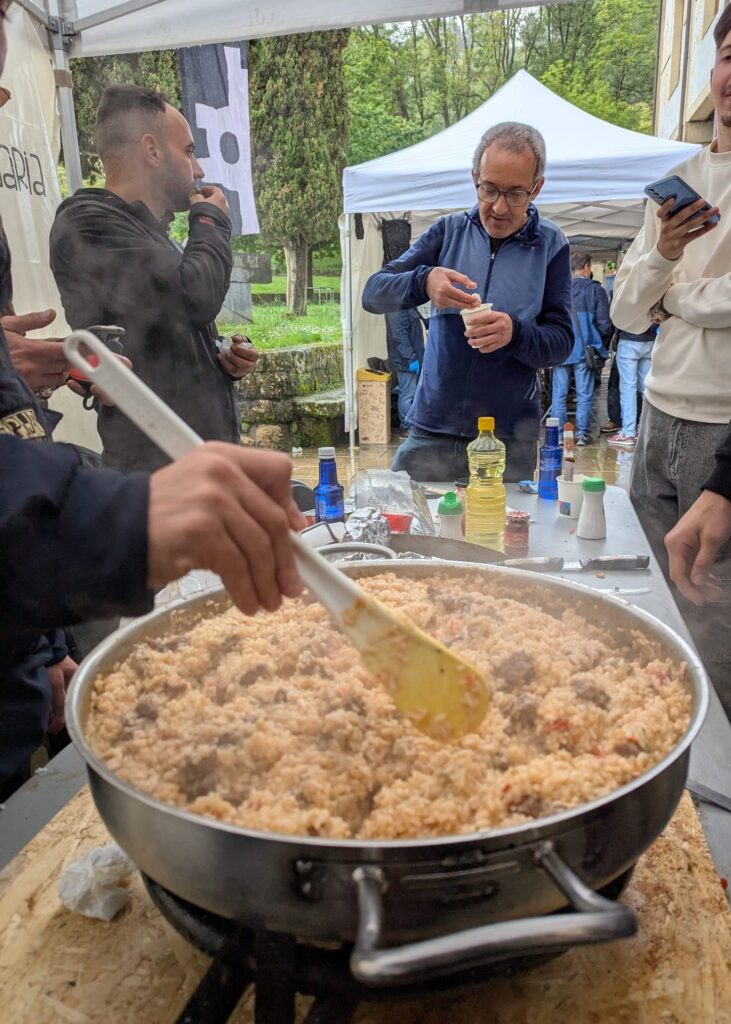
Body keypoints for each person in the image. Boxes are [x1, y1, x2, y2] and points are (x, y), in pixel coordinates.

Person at [611, 5, 731, 712]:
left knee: (718, 624)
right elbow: (626, 313)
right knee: (656, 605)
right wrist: (663, 254)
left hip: (723, 433)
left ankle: (716, 798)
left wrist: (676, 297)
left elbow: (673, 305)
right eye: (727, 54)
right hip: (656, 417)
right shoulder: (678, 178)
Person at [49, 85, 258, 473]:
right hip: (155, 474)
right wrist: (210, 221)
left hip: (196, 463)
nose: (198, 170)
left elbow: (168, 324)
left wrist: (221, 353)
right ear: (152, 150)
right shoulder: (89, 221)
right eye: (190, 151)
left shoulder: (149, 232)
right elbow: (195, 296)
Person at [362, 122, 573, 482]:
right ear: (475, 177)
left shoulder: (551, 245)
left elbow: (562, 342)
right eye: (488, 189)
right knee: (409, 529)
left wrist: (515, 332)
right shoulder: (448, 232)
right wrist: (423, 281)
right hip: (432, 428)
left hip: (508, 438)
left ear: (536, 188)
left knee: (500, 536)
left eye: (516, 194)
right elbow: (373, 293)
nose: (499, 207)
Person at [665, 421, 731, 606]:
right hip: (654, 415)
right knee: (659, 584)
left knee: (714, 606)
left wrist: (724, 484)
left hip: (719, 429)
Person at [551, 250, 612, 446]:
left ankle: (558, 436)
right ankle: (582, 435)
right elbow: (604, 323)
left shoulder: (558, 289)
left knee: (558, 395)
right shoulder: (595, 290)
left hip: (560, 349)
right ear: (586, 267)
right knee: (584, 395)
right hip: (584, 350)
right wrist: (599, 345)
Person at [606, 324, 657, 448]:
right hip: (650, 339)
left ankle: (628, 432)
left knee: (628, 388)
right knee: (646, 388)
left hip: (628, 339)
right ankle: (644, 428)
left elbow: (616, 317)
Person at [385, 308, 424, 434]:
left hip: (412, 358)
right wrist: (411, 357)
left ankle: (411, 425)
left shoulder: (407, 305)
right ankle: (406, 426)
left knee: (411, 394)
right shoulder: (396, 308)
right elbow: (399, 336)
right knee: (408, 394)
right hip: (405, 361)